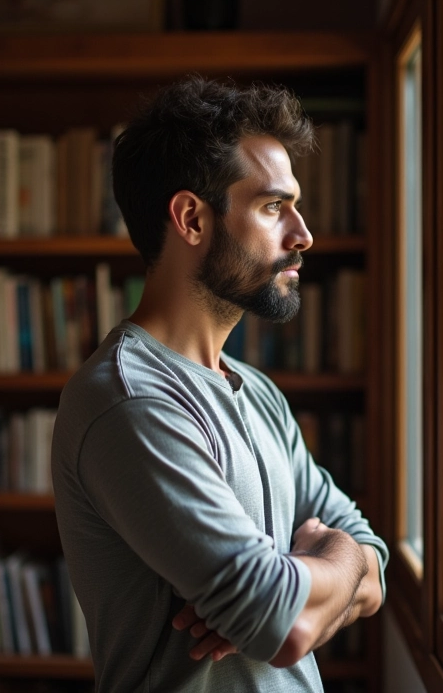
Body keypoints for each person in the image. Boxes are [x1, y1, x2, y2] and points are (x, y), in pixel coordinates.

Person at [51, 76, 389, 692]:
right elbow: (283, 627)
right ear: (191, 219)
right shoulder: (129, 402)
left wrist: (316, 576)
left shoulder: (258, 393)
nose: (302, 234)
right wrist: (330, 571)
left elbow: (374, 562)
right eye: (271, 207)